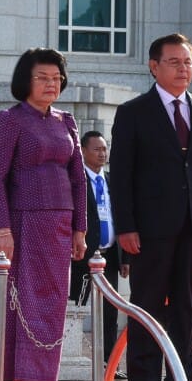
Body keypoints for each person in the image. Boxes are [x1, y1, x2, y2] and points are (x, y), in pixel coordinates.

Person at [109, 33, 192, 381]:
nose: (183, 69)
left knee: (187, 308)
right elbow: (122, 176)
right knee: (147, 303)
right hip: (149, 229)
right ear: (154, 66)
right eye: (174, 62)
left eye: (188, 62)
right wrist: (125, 225)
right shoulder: (133, 113)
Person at [0, 48, 89, 381]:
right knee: (24, 300)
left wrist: (81, 228)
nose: (51, 84)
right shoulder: (8, 120)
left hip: (61, 223)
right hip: (23, 221)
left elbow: (79, 179)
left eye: (56, 78)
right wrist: (3, 228)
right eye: (43, 78)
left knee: (53, 303)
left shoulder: (67, 122)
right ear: (25, 81)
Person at [69, 130, 124, 367]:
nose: (103, 154)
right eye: (97, 149)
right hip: (83, 253)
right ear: (82, 151)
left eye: (105, 149)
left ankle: (108, 363)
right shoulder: (75, 179)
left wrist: (126, 257)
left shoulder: (112, 180)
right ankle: (69, 357)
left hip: (110, 253)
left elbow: (121, 218)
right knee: (77, 304)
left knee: (110, 311)